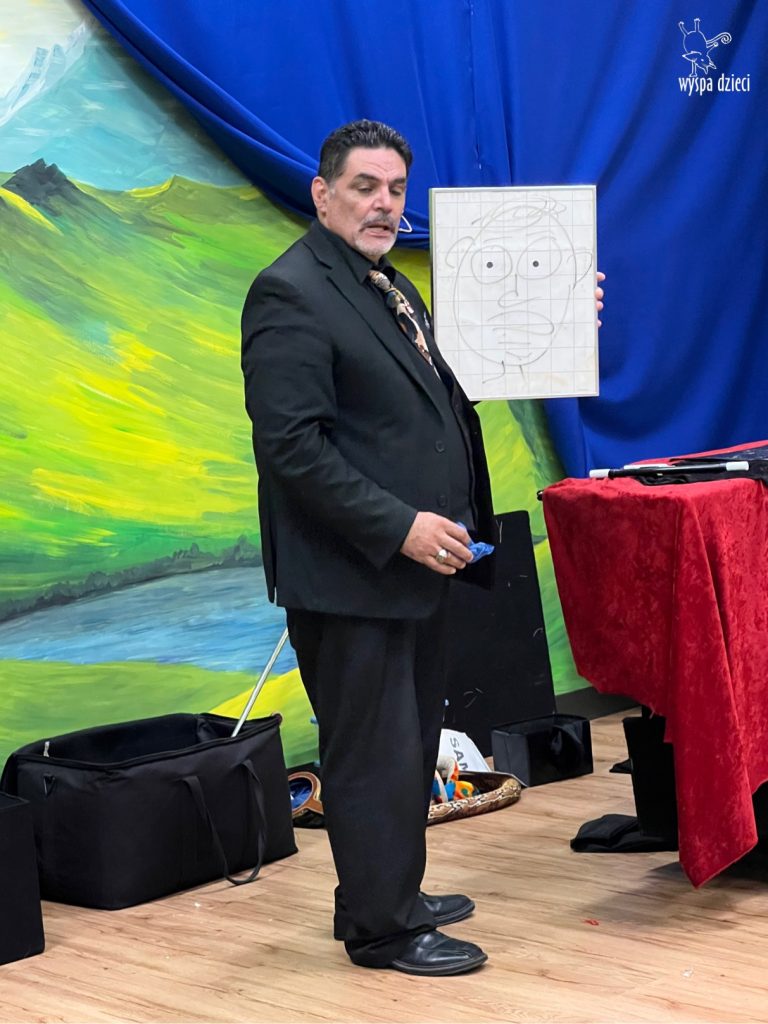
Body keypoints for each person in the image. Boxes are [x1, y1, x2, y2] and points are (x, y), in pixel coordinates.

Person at [241, 119, 603, 976]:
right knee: (372, 754)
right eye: (365, 186)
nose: (384, 204)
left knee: (404, 746)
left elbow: (441, 389)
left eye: (396, 189)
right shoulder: (289, 292)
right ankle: (385, 931)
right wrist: (399, 526)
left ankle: (380, 894)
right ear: (322, 192)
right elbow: (291, 448)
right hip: (353, 576)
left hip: (414, 572)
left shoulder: (386, 285)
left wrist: (558, 313)